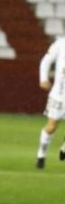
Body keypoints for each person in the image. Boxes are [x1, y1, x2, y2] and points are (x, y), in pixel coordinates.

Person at [34, 36, 65, 169]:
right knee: (52, 126)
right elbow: (46, 60)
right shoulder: (61, 43)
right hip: (60, 94)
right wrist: (43, 78)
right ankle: (41, 155)